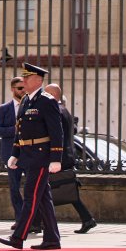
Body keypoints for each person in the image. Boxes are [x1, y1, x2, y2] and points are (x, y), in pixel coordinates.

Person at [0, 64, 64, 250]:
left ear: (39, 80)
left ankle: (18, 237)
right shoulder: (26, 100)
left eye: (28, 77)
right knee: (43, 198)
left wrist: (56, 158)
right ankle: (52, 239)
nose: (23, 81)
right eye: (23, 77)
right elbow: (20, 131)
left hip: (41, 157)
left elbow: (56, 132)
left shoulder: (46, 101)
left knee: (30, 196)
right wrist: (15, 153)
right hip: (28, 156)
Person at [44, 83, 97, 234]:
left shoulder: (56, 111)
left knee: (48, 190)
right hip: (65, 155)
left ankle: (38, 223)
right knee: (66, 189)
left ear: (54, 95)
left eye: (46, 94)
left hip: (59, 156)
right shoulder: (64, 110)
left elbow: (55, 136)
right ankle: (87, 219)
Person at [0, 76, 26, 219]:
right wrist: (14, 130)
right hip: (11, 154)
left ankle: (33, 220)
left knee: (33, 187)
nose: (23, 91)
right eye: (19, 88)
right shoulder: (4, 108)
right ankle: (20, 218)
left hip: (29, 153)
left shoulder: (30, 106)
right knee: (14, 187)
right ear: (12, 89)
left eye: (24, 87)